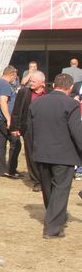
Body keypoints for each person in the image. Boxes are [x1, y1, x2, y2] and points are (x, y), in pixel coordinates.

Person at [28, 73, 82, 239]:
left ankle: (55, 217)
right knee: (61, 189)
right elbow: (77, 132)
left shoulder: (36, 103)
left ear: (53, 84)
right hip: (63, 155)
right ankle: (52, 228)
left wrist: (33, 152)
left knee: (48, 189)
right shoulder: (71, 104)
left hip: (41, 153)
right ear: (70, 87)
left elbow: (29, 131)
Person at [10, 71, 49, 192]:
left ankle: (47, 179)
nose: (30, 83)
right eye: (30, 81)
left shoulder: (49, 93)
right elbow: (17, 110)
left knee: (46, 154)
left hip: (47, 129)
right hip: (28, 129)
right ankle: (37, 181)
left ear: (42, 83)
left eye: (33, 81)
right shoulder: (24, 92)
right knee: (31, 154)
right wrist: (14, 127)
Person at [0, 66, 22, 179]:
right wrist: (9, 119)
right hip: (4, 118)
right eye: (15, 76)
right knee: (16, 142)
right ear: (12, 74)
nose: (15, 78)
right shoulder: (5, 85)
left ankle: (1, 169)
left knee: (1, 143)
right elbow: (3, 102)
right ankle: (11, 170)